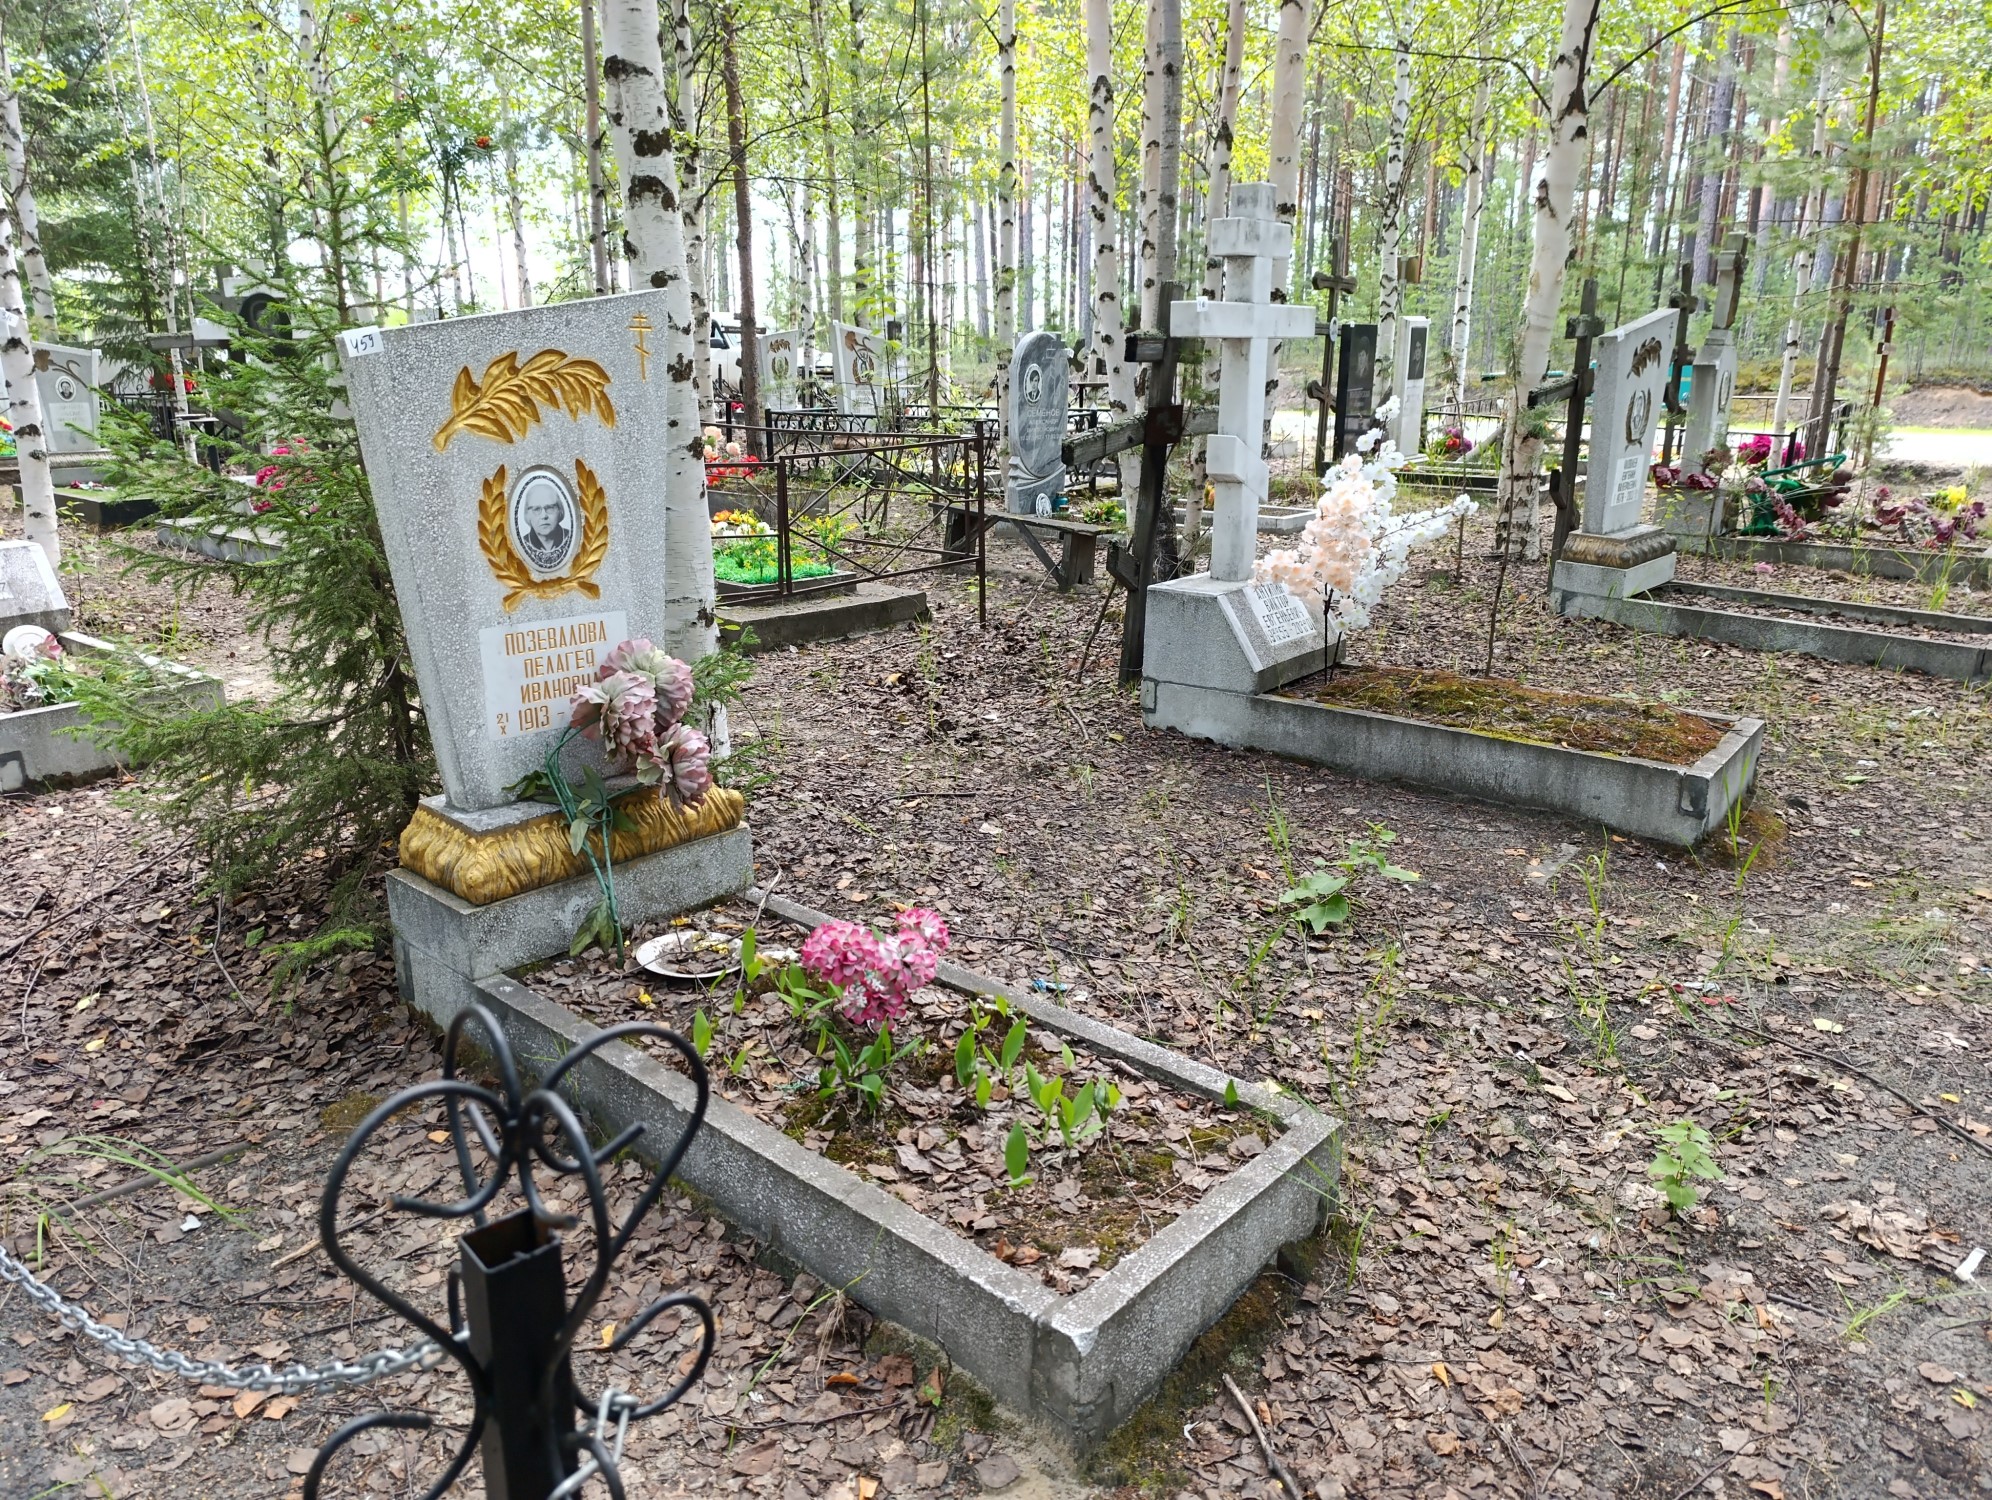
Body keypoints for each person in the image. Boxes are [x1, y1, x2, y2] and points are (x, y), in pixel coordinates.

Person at [515, 473, 574, 572]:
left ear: (560, 510)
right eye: (536, 509)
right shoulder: (523, 544)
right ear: (527, 514)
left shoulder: (570, 539)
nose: (544, 516)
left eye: (549, 508)